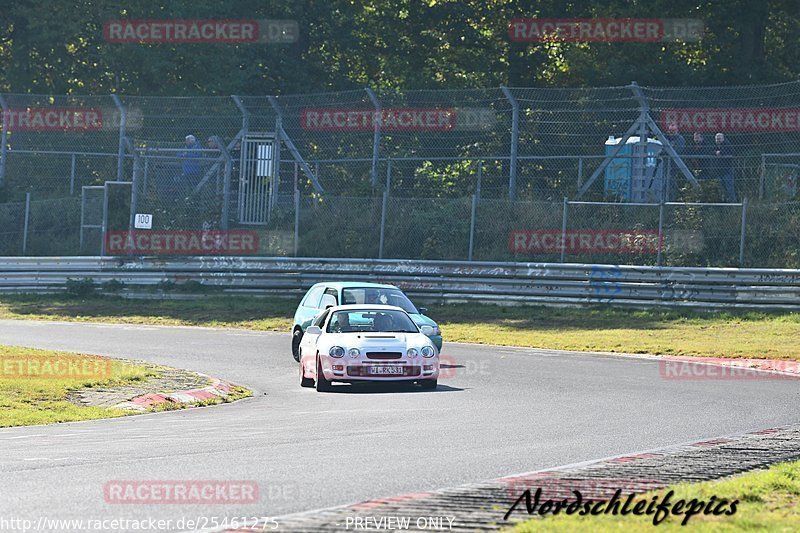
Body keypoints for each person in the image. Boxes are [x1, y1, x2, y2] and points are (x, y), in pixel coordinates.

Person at [712, 132, 737, 202]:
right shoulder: (715, 146)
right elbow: (710, 151)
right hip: (719, 170)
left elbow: (729, 152)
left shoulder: (727, 144)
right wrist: (716, 153)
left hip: (727, 170)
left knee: (729, 188)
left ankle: (733, 203)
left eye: (719, 138)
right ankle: (724, 203)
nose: (718, 140)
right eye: (716, 139)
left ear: (723, 138)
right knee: (722, 188)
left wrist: (720, 153)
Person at [665, 124, 686, 200]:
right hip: (667, 163)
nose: (671, 133)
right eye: (670, 131)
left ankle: (672, 200)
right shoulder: (666, 139)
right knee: (665, 182)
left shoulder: (680, 139)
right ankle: (665, 199)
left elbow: (677, 151)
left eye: (673, 131)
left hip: (676, 164)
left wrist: (668, 151)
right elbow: (662, 149)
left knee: (672, 182)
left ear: (677, 131)